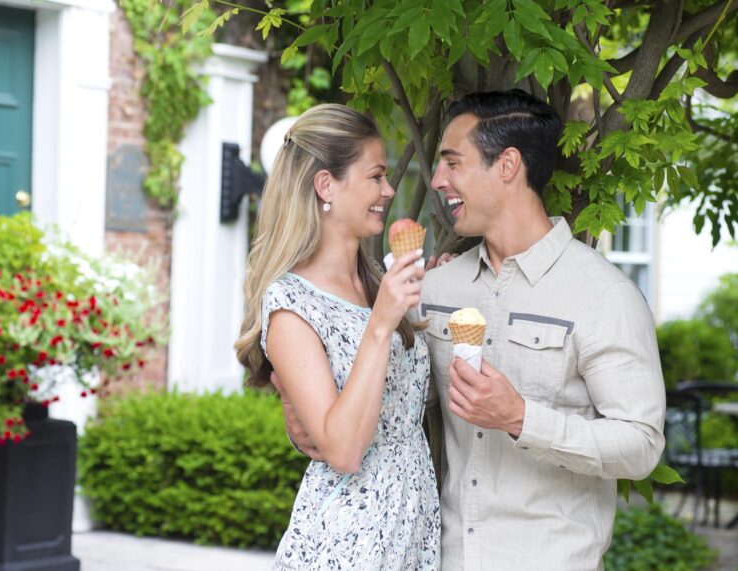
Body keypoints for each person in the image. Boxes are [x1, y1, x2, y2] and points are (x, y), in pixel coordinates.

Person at [280, 90, 666, 571]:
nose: (437, 179)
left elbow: (642, 446)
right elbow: (387, 406)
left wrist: (521, 417)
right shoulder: (434, 289)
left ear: (507, 166)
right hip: (439, 559)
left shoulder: (604, 298)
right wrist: (305, 419)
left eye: (453, 162)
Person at [235, 103, 440, 570]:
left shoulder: (374, 282)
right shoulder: (291, 305)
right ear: (326, 185)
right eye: (375, 176)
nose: (389, 191)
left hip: (411, 527)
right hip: (348, 539)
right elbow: (343, 451)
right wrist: (382, 324)